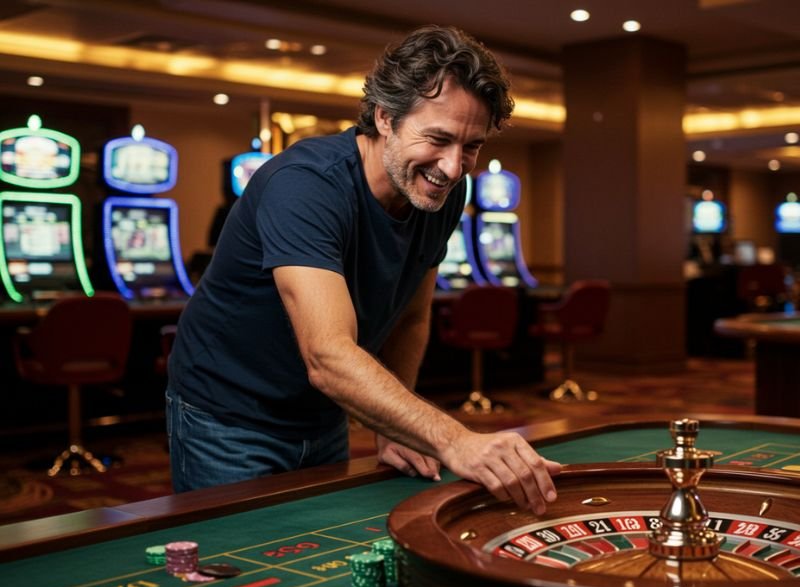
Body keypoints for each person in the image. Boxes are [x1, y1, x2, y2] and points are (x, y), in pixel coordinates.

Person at [166, 24, 561, 514]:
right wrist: (453, 440)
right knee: (246, 573)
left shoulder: (444, 192)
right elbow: (329, 355)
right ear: (385, 118)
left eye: (472, 146)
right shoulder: (306, 185)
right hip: (228, 414)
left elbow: (411, 315)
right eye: (437, 138)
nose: (454, 167)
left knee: (312, 552)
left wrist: (392, 426)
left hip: (325, 411)